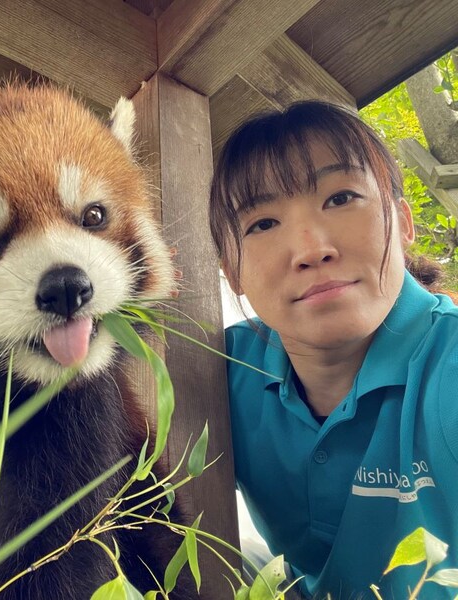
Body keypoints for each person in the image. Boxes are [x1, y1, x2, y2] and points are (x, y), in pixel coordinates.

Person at [208, 100, 458, 598]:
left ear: (403, 222)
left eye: (341, 198)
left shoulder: (447, 365)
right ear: (231, 271)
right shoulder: (219, 372)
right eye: (262, 223)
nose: (311, 250)